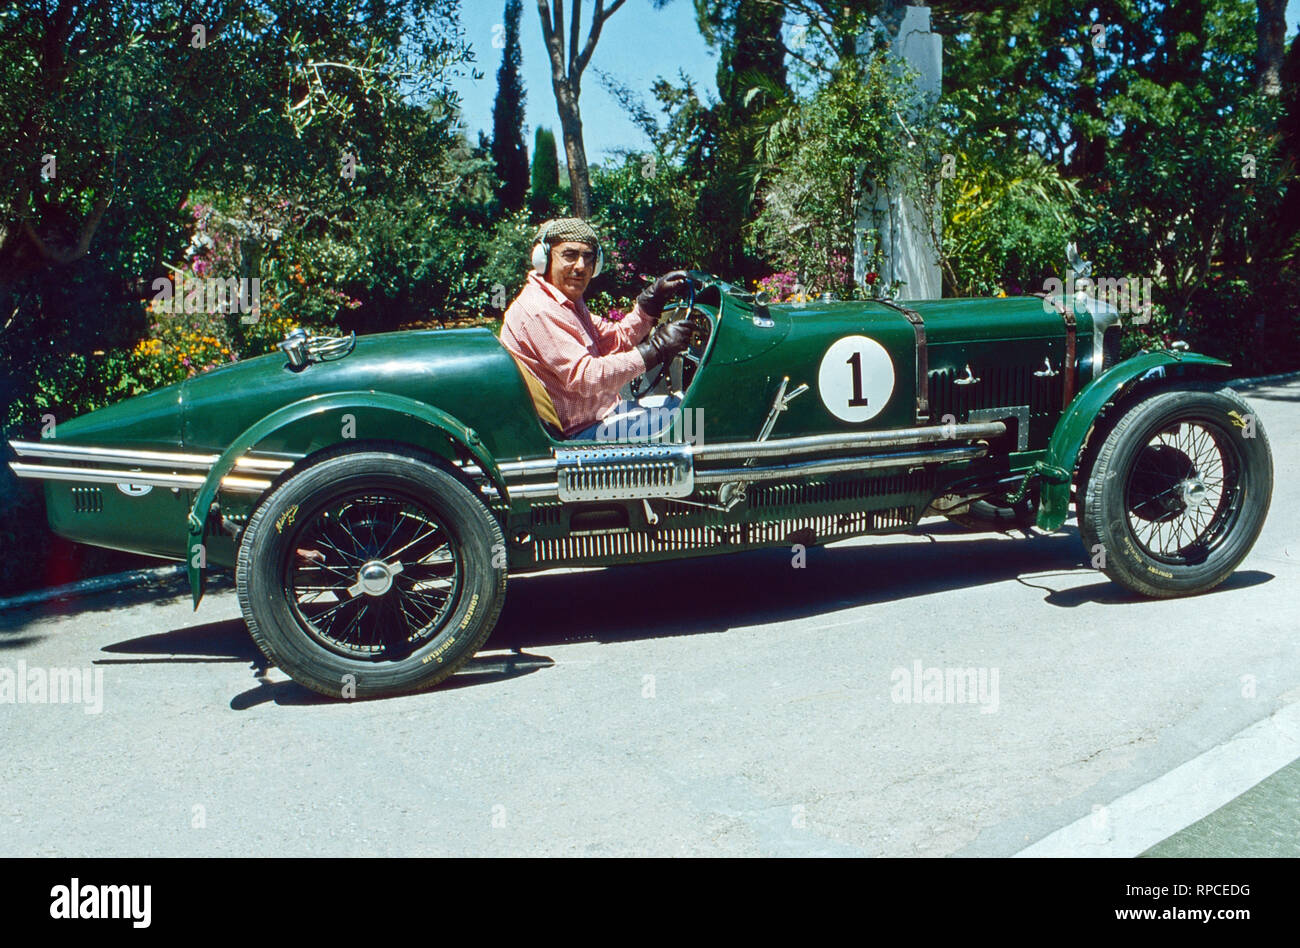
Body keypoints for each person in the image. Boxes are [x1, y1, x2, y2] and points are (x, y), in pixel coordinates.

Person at [500, 217, 695, 441]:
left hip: (600, 416)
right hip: (581, 434)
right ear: (543, 259)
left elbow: (616, 338)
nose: (581, 266)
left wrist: (648, 304)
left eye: (588, 257)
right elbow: (586, 376)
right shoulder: (539, 310)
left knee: (686, 406)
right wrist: (655, 349)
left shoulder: (563, 302)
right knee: (695, 420)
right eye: (570, 255)